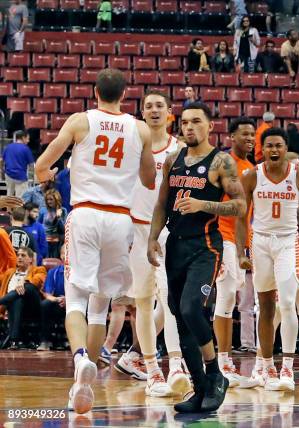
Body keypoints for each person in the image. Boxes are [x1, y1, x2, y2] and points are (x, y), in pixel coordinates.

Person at [34, 68, 156, 414]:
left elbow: (41, 167)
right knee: (101, 304)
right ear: (125, 94)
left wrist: (52, 176)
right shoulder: (141, 128)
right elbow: (149, 179)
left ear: (94, 91)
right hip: (120, 219)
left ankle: (79, 360)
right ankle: (82, 385)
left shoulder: (79, 121)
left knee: (75, 297)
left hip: (87, 213)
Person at [147, 102, 246, 413]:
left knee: (192, 308)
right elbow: (162, 204)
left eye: (196, 122)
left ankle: (216, 375)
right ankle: (199, 388)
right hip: (174, 246)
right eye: (185, 122)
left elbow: (241, 205)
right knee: (179, 318)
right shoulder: (172, 161)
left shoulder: (221, 162)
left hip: (205, 246)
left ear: (209, 126)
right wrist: (152, 238)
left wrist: (204, 205)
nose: (189, 127)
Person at [236, 127, 299, 392]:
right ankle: (265, 365)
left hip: (287, 242)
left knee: (289, 302)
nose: (274, 150)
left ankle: (287, 369)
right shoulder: (252, 176)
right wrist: (241, 250)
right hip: (260, 242)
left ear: (286, 148)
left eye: (278, 145)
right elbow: (241, 217)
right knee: (265, 306)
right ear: (262, 149)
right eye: (269, 146)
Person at [119, 91, 186, 398]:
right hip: (136, 230)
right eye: (149, 106)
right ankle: (152, 371)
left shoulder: (181, 149)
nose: (155, 110)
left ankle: (176, 366)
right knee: (143, 303)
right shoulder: (131, 150)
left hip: (169, 232)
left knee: (171, 300)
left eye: (160, 105)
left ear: (170, 113)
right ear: (142, 113)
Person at [213, 117, 256, 388]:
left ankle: (135, 352)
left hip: (239, 241)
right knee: (226, 298)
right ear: (231, 137)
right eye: (245, 135)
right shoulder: (222, 163)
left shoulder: (250, 168)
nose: (250, 139)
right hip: (221, 237)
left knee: (230, 299)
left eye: (253, 135)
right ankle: (223, 362)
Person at [0, 247, 45, 350]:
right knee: (17, 300)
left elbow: (37, 281)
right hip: (11, 306)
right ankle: (15, 341)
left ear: (31, 259)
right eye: (18, 255)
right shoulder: (9, 273)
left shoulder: (39, 269)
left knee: (28, 287)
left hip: (32, 307)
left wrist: (23, 282)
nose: (19, 257)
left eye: (23, 255)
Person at [37, 245, 66, 351]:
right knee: (45, 304)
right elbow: (47, 294)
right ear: (60, 256)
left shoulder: (81, 272)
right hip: (58, 302)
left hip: (76, 302)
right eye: (64, 253)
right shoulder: (53, 272)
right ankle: (45, 341)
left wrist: (68, 300)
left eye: (69, 252)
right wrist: (57, 299)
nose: (66, 255)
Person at [1, 131, 34, 197]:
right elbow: (31, 165)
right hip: (20, 176)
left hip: (8, 174)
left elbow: (1, 160)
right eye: (27, 138)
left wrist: (2, 171)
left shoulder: (8, 147)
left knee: (9, 195)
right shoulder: (26, 149)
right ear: (23, 138)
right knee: (20, 199)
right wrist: (32, 177)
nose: (28, 141)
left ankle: (9, 207)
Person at [38, 190, 66, 259]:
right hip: (45, 242)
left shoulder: (63, 210)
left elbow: (64, 229)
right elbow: (38, 225)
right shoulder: (43, 210)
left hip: (57, 243)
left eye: (51, 199)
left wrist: (58, 218)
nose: (49, 201)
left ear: (57, 199)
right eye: (47, 199)